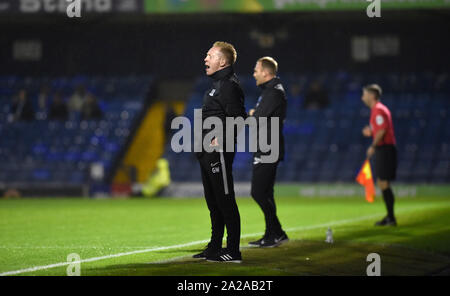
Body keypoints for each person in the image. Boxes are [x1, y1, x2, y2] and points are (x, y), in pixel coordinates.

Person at [192, 41, 246, 262]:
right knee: (213, 202)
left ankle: (233, 250)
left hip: (219, 152)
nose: (205, 59)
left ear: (222, 61)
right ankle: (214, 246)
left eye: (210, 55)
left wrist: (220, 139)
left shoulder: (229, 85)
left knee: (225, 200)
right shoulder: (217, 84)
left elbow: (239, 119)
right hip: (208, 152)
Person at [247, 57, 289, 247]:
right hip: (267, 146)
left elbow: (259, 118)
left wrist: (254, 114)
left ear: (266, 72)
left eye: (256, 70)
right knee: (266, 193)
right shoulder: (271, 91)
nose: (254, 73)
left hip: (268, 148)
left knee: (258, 192)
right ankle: (275, 232)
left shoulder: (273, 92)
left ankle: (274, 234)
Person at [361, 84, 398, 226]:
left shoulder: (378, 110)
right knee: (382, 182)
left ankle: (391, 218)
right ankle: (390, 217)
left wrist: (373, 146)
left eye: (364, 94)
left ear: (372, 95)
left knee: (383, 182)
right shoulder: (376, 111)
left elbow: (382, 131)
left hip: (385, 149)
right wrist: (371, 132)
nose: (362, 97)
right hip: (385, 149)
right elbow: (380, 129)